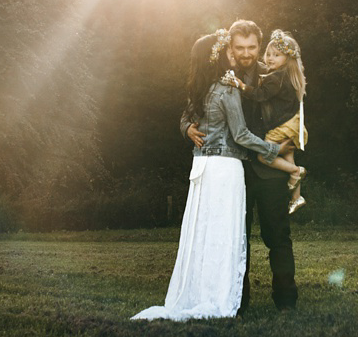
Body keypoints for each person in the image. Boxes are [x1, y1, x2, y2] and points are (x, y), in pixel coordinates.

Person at [132, 30, 283, 321]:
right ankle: (220, 297)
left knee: (203, 234)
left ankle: (203, 292)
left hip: (202, 167)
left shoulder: (203, 88)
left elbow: (197, 116)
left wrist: (191, 127)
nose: (234, 54)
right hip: (225, 168)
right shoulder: (226, 89)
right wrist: (271, 148)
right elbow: (239, 134)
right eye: (228, 50)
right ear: (217, 56)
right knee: (224, 235)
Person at [184, 20, 299, 312]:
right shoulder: (220, 71)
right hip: (234, 170)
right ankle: (238, 301)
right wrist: (186, 127)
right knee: (236, 239)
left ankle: (286, 301)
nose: (246, 53)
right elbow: (193, 107)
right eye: (239, 48)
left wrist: (287, 149)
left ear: (259, 47)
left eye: (251, 47)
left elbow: (292, 115)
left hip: (269, 168)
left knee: (278, 236)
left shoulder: (273, 74)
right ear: (231, 47)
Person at [228, 29, 308, 214]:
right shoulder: (285, 75)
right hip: (287, 126)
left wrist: (241, 85)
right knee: (289, 158)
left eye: (276, 55)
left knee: (266, 155)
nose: (270, 58)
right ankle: (296, 196)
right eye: (269, 54)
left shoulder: (273, 77)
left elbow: (259, 95)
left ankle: (296, 173)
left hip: (278, 131)